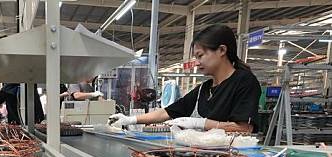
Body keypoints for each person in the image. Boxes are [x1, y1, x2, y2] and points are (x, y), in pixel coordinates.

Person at [110, 24, 261, 132]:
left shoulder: (244, 82)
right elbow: (166, 113)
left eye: (200, 55)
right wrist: (131, 119)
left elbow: (244, 128)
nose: (197, 62)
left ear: (222, 50)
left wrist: (200, 123)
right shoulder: (204, 88)